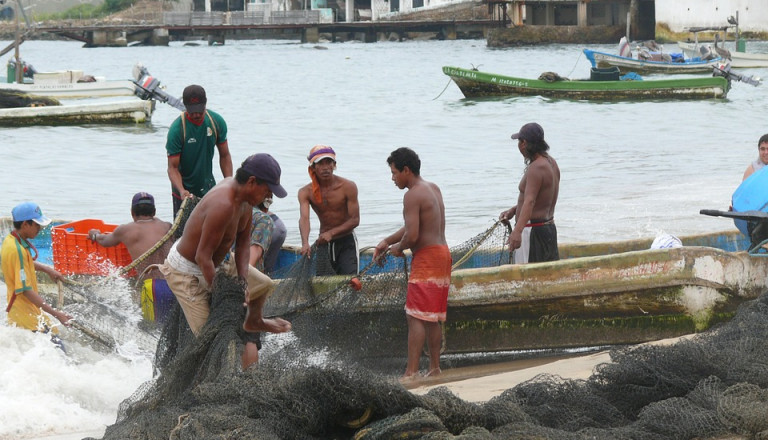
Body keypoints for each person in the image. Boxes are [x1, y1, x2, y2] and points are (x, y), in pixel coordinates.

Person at [157, 154, 292, 365]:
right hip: (187, 272)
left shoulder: (246, 202)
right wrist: (223, 295)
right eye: (267, 190)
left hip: (220, 261)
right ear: (251, 181)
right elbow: (202, 257)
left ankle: (255, 320)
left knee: (263, 284)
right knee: (213, 340)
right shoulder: (223, 204)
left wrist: (243, 281)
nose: (268, 196)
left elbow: (244, 241)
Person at [373, 147, 451, 380]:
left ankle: (411, 372)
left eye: (394, 172)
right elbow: (413, 227)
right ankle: (434, 368)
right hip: (442, 255)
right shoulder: (432, 188)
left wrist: (398, 248)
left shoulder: (411, 195)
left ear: (406, 170)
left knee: (415, 316)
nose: (393, 178)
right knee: (431, 316)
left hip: (427, 258)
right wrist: (387, 241)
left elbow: (413, 235)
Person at [88, 192, 175, 323]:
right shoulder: (167, 226)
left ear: (132, 212)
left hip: (153, 287)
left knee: (151, 330)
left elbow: (105, 241)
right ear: (154, 211)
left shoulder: (126, 230)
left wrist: (94, 234)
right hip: (176, 284)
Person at [2, 202, 72, 335]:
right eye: (36, 224)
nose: (39, 228)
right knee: (57, 348)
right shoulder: (16, 249)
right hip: (26, 316)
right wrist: (56, 314)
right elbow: (25, 290)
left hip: (25, 311)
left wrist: (48, 270)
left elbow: (23, 263)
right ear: (25, 224)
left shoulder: (11, 240)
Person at [166, 84, 233, 218]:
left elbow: (225, 156)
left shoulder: (216, 122)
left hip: (208, 189)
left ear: (205, 104)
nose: (196, 114)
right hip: (183, 192)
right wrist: (181, 190)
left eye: (199, 110)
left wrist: (229, 183)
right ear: (185, 106)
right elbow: (172, 168)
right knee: (183, 235)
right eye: (192, 111)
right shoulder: (177, 129)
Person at [499, 122, 560, 264]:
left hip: (532, 232)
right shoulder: (551, 163)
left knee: (527, 279)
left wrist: (517, 232)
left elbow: (530, 201)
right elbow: (541, 197)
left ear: (524, 143)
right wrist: (514, 210)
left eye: (519, 142)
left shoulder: (536, 167)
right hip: (548, 229)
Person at [298, 145, 360, 275]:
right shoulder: (305, 192)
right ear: (313, 168)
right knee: (323, 284)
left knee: (350, 281)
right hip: (323, 244)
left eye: (329, 162)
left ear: (334, 165)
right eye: (320, 163)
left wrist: (331, 233)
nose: (325, 167)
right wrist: (305, 243)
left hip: (346, 241)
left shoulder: (348, 186)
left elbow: (355, 220)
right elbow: (304, 218)